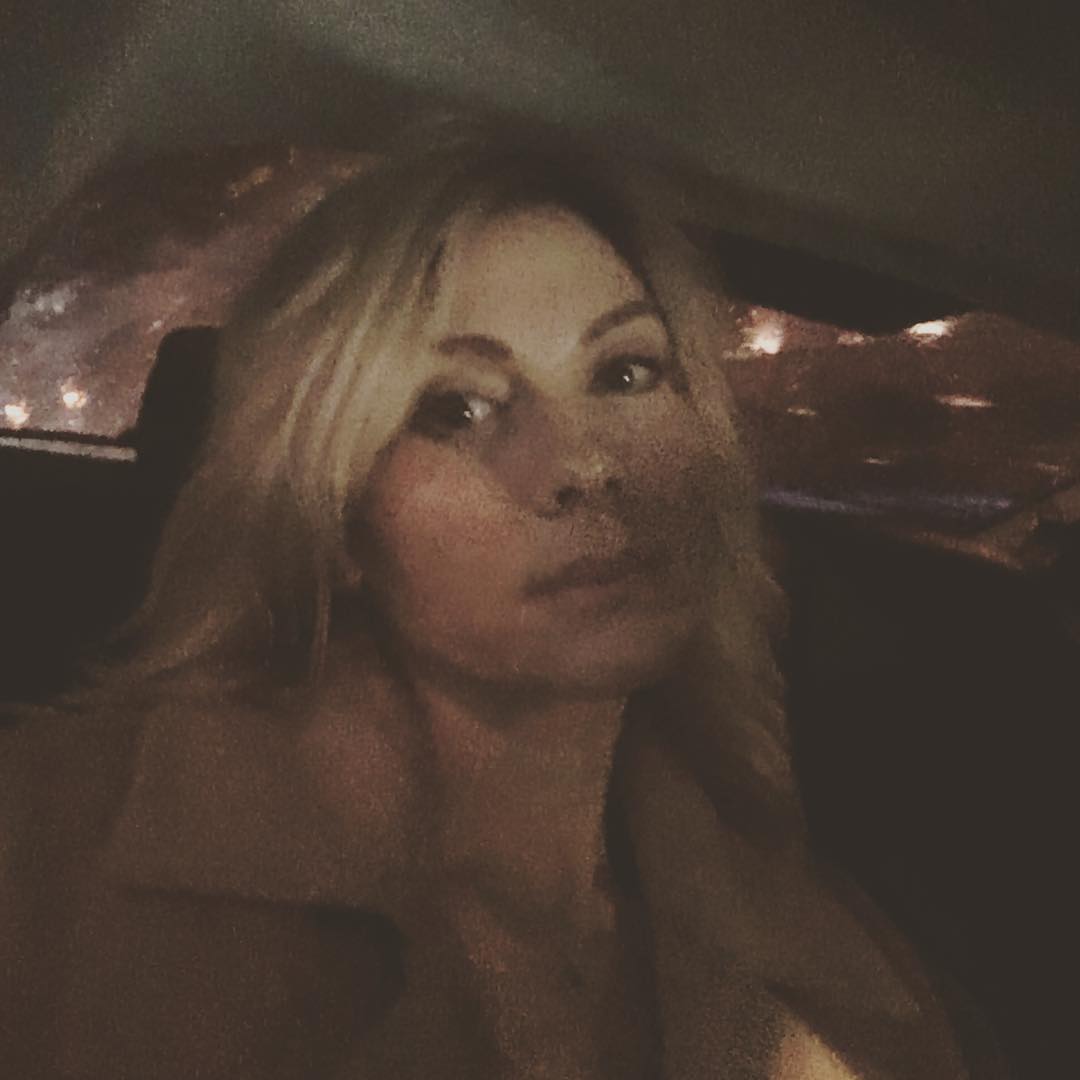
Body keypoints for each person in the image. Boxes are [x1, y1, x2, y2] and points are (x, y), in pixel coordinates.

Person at [0, 117, 991, 1079]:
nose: (586, 464)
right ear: (334, 520)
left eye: (627, 371)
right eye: (458, 408)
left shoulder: (828, 944)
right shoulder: (48, 844)